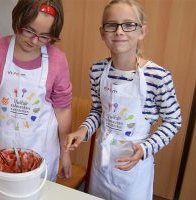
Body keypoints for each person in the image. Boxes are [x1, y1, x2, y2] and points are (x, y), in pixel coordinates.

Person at [65, 0, 182, 199]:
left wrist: (146, 148)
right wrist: (83, 130)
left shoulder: (158, 76)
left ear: (142, 31)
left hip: (134, 168)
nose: (119, 31)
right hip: (102, 163)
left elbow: (174, 120)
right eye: (112, 25)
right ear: (102, 33)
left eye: (129, 24)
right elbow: (98, 111)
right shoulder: (97, 70)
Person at [0, 0, 72, 181]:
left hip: (41, 150)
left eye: (44, 36)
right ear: (18, 19)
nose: (34, 40)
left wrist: (66, 154)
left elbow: (62, 110)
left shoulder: (58, 60)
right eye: (28, 30)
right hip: (1, 148)